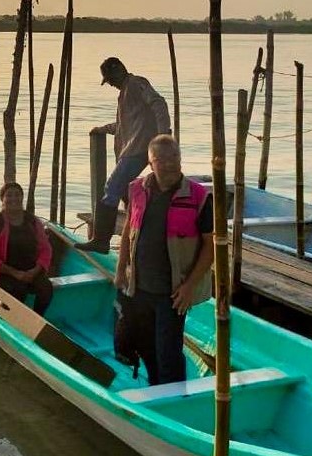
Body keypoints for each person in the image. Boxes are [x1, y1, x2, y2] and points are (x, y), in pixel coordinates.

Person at [113, 135, 213, 386]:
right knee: (144, 346)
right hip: (139, 286)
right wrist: (120, 269)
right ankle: (156, 388)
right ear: (150, 162)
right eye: (163, 159)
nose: (170, 164)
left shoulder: (198, 196)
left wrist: (189, 286)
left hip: (173, 291)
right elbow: (128, 230)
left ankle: (175, 400)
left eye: (175, 157)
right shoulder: (137, 189)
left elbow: (211, 246)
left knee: (168, 352)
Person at [77, 56, 172, 253]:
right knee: (124, 191)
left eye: (110, 78)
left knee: (112, 187)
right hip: (131, 148)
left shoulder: (137, 84)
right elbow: (123, 126)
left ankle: (101, 240)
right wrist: (103, 129)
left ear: (119, 70)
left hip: (138, 148)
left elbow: (159, 104)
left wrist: (164, 135)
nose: (110, 83)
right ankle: (137, 230)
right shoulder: (124, 94)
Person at [0, 182, 54, 315]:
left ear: (22, 197)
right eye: (9, 195)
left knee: (46, 289)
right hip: (4, 272)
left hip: (30, 270)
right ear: (2, 199)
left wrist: (35, 271)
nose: (13, 199)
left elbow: (45, 249)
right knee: (17, 289)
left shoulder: (33, 221)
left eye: (17, 195)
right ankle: (13, 321)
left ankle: (38, 318)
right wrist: (16, 274)